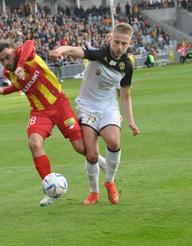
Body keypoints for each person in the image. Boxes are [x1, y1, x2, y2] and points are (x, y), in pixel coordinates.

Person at [50, 23, 140, 206]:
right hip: (87, 107)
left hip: (108, 107)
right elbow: (76, 51)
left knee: (114, 141)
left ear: (129, 42)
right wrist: (60, 50)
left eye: (124, 44)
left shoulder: (127, 66)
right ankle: (94, 192)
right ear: (110, 38)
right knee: (91, 154)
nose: (119, 47)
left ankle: (109, 181)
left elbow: (125, 94)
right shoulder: (99, 54)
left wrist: (131, 120)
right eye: (117, 42)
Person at [0, 39, 88, 207]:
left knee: (81, 148)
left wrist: (21, 65)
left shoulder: (25, 54)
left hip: (59, 103)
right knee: (34, 144)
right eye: (2, 60)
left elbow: (30, 42)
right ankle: (51, 190)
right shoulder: (8, 72)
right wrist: (4, 91)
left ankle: (103, 163)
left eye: (7, 57)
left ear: (14, 50)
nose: (6, 62)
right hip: (39, 111)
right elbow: (18, 85)